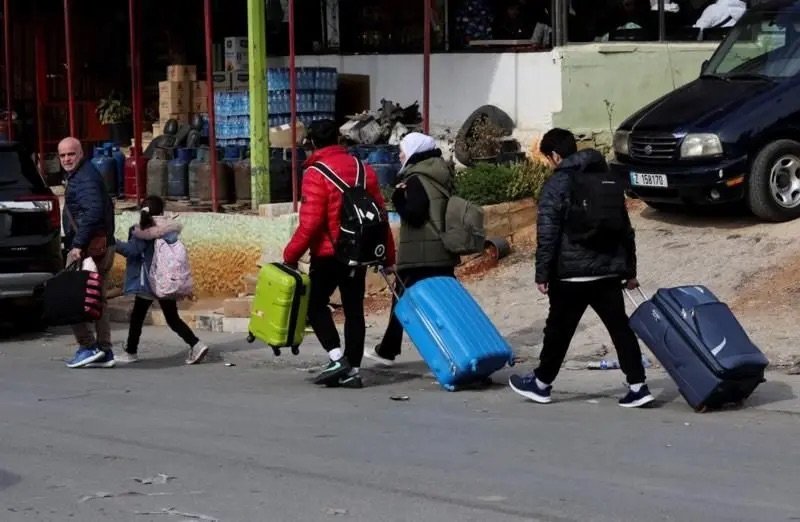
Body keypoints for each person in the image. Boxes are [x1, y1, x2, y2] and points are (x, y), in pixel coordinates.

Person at [508, 128, 654, 408]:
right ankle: (638, 385)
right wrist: (629, 270)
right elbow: (625, 229)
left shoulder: (557, 184)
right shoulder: (606, 178)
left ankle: (541, 384)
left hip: (571, 274)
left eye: (549, 159)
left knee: (558, 331)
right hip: (608, 270)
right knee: (620, 329)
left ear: (555, 156)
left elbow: (548, 233)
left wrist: (542, 274)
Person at [283, 119, 396, 389]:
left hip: (328, 253)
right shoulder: (363, 169)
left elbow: (310, 223)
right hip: (359, 252)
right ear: (338, 139)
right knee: (354, 309)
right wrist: (388, 256)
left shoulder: (315, 173)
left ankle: (336, 358)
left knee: (314, 304)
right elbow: (380, 215)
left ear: (311, 143)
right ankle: (353, 370)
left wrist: (290, 255)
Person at [364, 133, 460, 367]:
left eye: (403, 150)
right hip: (440, 250)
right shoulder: (439, 173)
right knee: (444, 303)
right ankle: (456, 348)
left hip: (421, 254)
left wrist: (397, 198)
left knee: (401, 299)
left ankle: (388, 350)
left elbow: (415, 215)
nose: (400, 155)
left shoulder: (418, 178)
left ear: (414, 151)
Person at [114, 196, 209, 365]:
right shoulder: (169, 229)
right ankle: (196, 344)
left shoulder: (142, 231)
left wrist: (113, 243)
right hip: (167, 281)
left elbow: (132, 251)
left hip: (149, 282)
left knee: (137, 317)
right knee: (172, 318)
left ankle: (130, 352)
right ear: (162, 211)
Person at [59, 137, 117, 369]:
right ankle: (104, 350)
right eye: (62, 155)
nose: (66, 159)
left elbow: (92, 212)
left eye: (71, 154)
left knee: (70, 297)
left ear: (81, 153)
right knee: (97, 299)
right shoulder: (85, 174)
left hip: (89, 249)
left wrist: (78, 245)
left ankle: (87, 346)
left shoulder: (84, 178)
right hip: (99, 247)